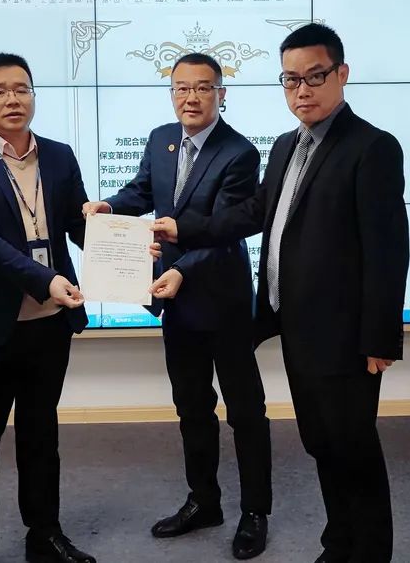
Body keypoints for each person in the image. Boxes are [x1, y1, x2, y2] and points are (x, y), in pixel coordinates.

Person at [152, 25, 409, 563]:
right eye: (291, 80)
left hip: (346, 336)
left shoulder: (372, 148)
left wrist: (380, 337)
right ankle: (339, 544)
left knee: (353, 450)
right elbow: (254, 212)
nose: (302, 90)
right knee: (321, 444)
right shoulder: (289, 144)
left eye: (315, 77)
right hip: (297, 326)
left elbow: (388, 250)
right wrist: (182, 228)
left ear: (341, 74)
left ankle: (369, 553)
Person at [83, 52, 272, 560]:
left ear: (221, 95)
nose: (191, 97)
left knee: (245, 410)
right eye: (181, 88)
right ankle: (203, 501)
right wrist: (108, 207)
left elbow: (227, 229)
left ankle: (255, 511)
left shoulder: (238, 153)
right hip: (176, 300)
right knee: (191, 405)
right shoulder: (160, 139)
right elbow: (142, 191)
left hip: (223, 300)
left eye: (203, 88)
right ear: (172, 94)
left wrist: (183, 268)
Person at [0, 53, 96, 563]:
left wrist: (126, 243)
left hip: (49, 325)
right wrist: (45, 279)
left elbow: (77, 225)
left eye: (22, 89)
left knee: (40, 433)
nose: (13, 99)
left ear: (33, 95)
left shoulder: (59, 155)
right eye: (0, 90)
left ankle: (44, 535)